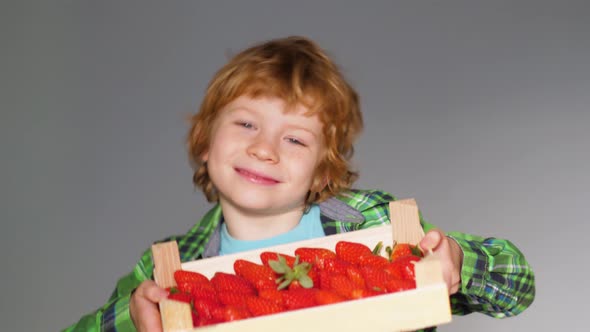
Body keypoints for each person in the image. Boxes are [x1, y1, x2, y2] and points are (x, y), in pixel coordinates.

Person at [63, 36, 535, 332]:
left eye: (294, 138)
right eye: (246, 125)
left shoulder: (374, 225)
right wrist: (134, 319)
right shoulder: (170, 266)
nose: (265, 149)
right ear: (204, 142)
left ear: (323, 172)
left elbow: (517, 283)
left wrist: (455, 261)